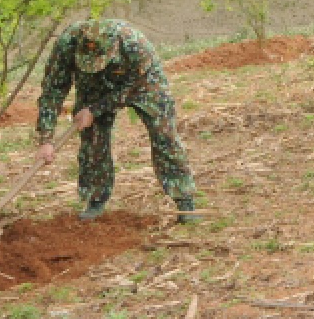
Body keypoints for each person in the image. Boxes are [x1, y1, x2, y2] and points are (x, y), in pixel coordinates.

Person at [34, 18, 200, 223]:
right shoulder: (67, 43)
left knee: (164, 135)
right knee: (92, 140)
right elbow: (53, 89)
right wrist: (46, 138)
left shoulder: (134, 44)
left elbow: (129, 90)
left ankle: (184, 199)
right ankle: (95, 199)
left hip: (141, 84)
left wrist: (95, 109)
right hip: (93, 86)